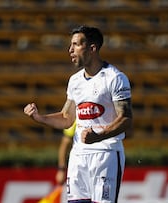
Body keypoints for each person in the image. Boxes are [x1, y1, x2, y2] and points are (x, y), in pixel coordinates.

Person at [24, 25, 132, 203]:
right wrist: (39, 117)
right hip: (78, 157)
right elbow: (67, 118)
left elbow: (126, 119)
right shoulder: (75, 81)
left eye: (76, 45)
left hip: (106, 155)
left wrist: (99, 136)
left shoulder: (115, 78)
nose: (70, 50)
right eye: (70, 45)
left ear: (92, 48)